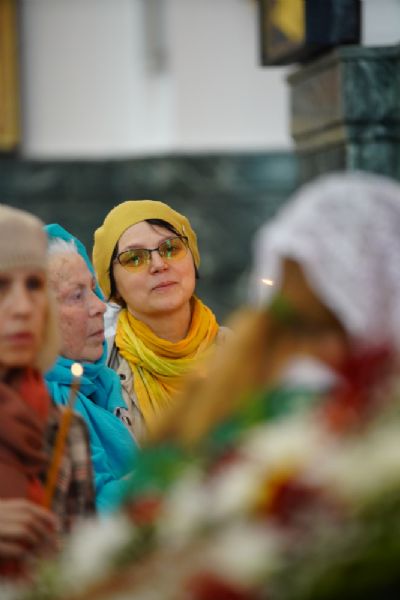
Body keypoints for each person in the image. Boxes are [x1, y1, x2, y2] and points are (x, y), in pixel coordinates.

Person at [0, 206, 94, 581]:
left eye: (34, 285)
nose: (23, 308)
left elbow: (86, 577)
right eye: (1, 286)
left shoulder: (65, 429)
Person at [92, 200, 228, 444]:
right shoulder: (98, 376)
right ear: (114, 285)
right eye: (134, 258)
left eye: (171, 248)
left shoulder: (246, 354)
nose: (159, 265)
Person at [45, 224, 138, 513]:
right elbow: (85, 512)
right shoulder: (37, 403)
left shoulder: (102, 384)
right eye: (76, 295)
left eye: (93, 288)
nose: (100, 306)